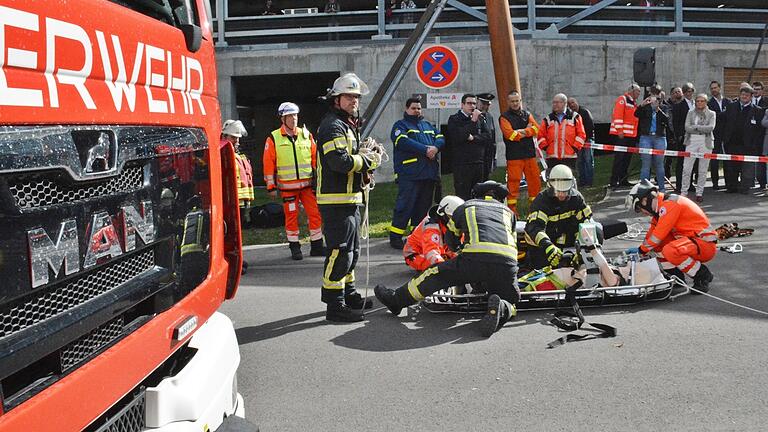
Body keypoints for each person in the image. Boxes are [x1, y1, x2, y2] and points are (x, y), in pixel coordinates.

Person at [375, 181, 519, 337]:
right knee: (510, 298)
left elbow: (452, 240)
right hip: (507, 263)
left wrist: (458, 256)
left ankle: (396, 300)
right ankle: (502, 307)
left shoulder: (467, 207)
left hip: (474, 260)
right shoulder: (509, 213)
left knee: (435, 274)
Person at [316, 73, 381, 322]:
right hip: (335, 201)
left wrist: (366, 163)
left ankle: (349, 293)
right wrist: (367, 160)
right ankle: (335, 305)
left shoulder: (348, 124)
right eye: (349, 96)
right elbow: (338, 162)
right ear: (336, 99)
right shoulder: (332, 125)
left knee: (351, 251)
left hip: (351, 198)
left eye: (356, 97)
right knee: (340, 252)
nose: (354, 101)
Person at [626, 179, 717, 292]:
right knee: (657, 246)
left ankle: (702, 275)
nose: (643, 212)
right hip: (693, 242)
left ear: (645, 200)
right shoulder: (661, 210)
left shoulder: (669, 205)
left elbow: (658, 235)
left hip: (704, 244)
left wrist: (641, 250)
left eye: (640, 208)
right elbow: (652, 236)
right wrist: (641, 249)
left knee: (670, 250)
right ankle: (676, 278)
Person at [263, 102, 324, 260]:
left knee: (315, 214)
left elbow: (314, 158)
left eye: (295, 115)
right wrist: (271, 186)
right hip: (288, 188)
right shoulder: (273, 138)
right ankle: (295, 247)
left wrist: (318, 179)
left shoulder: (306, 134)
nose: (294, 119)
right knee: (291, 217)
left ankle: (317, 245)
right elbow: (268, 163)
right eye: (290, 116)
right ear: (282, 118)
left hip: (307, 186)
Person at [389, 97, 445, 249]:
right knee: (405, 206)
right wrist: (426, 149)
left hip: (428, 173)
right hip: (410, 174)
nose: (417, 111)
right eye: (414, 108)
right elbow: (402, 141)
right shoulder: (400, 125)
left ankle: (416, 236)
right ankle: (395, 237)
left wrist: (435, 148)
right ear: (406, 109)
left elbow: (440, 137)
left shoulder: (427, 125)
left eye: (419, 108)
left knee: (422, 207)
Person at [525, 165, 593, 270]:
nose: (561, 195)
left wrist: (581, 249)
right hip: (541, 247)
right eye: (558, 191)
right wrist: (548, 247)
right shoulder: (542, 202)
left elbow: (585, 225)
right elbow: (535, 228)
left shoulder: (577, 199)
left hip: (565, 243)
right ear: (550, 186)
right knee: (544, 276)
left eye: (565, 191)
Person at [499, 90, 542, 214]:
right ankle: (512, 213)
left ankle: (534, 211)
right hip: (514, 156)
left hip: (529, 155)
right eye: (512, 101)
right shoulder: (504, 117)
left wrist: (521, 132)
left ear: (520, 101)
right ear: (508, 102)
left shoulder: (527, 114)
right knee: (513, 185)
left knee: (535, 183)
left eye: (517, 101)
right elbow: (510, 135)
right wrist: (527, 131)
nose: (515, 103)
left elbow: (536, 129)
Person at [446, 94, 494, 200]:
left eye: (474, 103)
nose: (472, 106)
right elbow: (459, 136)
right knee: (463, 196)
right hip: (462, 164)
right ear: (462, 105)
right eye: (469, 103)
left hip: (478, 163)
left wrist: (474, 138)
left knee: (478, 195)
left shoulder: (480, 119)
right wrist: (472, 122)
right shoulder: (455, 119)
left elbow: (488, 137)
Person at [222, 119, 253, 275]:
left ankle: (237, 259)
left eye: (238, 138)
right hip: (229, 203)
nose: (237, 140)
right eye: (234, 137)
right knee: (230, 234)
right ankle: (232, 262)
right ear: (225, 136)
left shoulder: (237, 155)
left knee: (237, 233)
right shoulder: (222, 154)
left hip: (239, 202)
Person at [722, 85, 765, 194]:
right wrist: (725, 138)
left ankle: (744, 188)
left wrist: (754, 144)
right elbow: (724, 122)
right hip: (731, 143)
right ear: (739, 95)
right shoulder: (731, 107)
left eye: (747, 95)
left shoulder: (758, 111)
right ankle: (731, 187)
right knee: (731, 167)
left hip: (748, 146)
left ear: (751, 96)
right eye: (742, 94)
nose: (744, 96)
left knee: (747, 169)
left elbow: (760, 130)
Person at [402, 195, 463, 271]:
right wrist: (443, 267)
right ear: (443, 214)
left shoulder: (450, 224)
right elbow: (431, 252)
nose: (456, 220)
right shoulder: (431, 227)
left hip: (440, 252)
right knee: (439, 269)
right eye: (452, 217)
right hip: (417, 254)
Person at [537, 93, 586, 174]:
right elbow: (540, 136)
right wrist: (546, 147)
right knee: (553, 181)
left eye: (557, 102)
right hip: (552, 158)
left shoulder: (575, 117)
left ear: (564, 103)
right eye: (553, 102)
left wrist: (574, 148)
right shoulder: (548, 119)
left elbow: (581, 134)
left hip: (569, 157)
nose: (554, 105)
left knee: (568, 180)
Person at [680, 93, 716, 202]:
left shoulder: (711, 113)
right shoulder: (690, 112)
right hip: (691, 141)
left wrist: (695, 127)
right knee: (687, 168)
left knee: (703, 169)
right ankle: (684, 192)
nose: (699, 103)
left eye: (702, 101)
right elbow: (687, 127)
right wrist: (699, 128)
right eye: (698, 101)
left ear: (706, 102)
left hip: (706, 141)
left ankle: (699, 192)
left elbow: (710, 128)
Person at [635, 94, 670, 192]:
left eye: (657, 100)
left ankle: (662, 189)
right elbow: (636, 114)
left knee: (659, 164)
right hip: (646, 137)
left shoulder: (664, 108)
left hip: (659, 138)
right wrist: (642, 105)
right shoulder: (645, 108)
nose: (655, 102)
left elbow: (668, 120)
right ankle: (644, 190)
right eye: (652, 100)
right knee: (646, 164)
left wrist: (659, 110)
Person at [609, 83, 641, 188]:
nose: (639, 94)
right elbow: (618, 115)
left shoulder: (633, 103)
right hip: (622, 136)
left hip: (630, 136)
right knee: (619, 158)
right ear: (632, 90)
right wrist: (620, 131)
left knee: (627, 159)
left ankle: (623, 179)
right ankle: (614, 180)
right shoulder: (623, 99)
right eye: (638, 91)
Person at [671, 82, 696, 193]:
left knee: (692, 162)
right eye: (686, 92)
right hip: (684, 137)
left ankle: (689, 184)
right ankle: (680, 185)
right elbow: (676, 123)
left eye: (691, 91)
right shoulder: (678, 106)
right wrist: (679, 136)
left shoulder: (697, 104)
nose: (689, 93)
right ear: (684, 93)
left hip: (696, 137)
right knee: (682, 162)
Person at [567, 97, 595, 187]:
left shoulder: (585, 112)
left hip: (587, 140)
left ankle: (589, 182)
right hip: (578, 142)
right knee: (579, 162)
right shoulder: (570, 115)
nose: (572, 105)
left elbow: (590, 126)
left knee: (588, 161)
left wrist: (585, 139)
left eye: (573, 102)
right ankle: (582, 182)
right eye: (569, 104)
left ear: (577, 102)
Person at [708, 80, 731, 190]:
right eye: (712, 88)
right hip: (715, 135)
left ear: (720, 88)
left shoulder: (728, 102)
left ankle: (728, 181)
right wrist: (724, 114)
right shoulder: (709, 104)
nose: (713, 90)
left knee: (727, 159)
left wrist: (722, 115)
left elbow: (730, 116)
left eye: (715, 88)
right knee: (714, 160)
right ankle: (715, 182)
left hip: (727, 135)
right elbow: (713, 117)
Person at [476, 92, 498, 179]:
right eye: (483, 104)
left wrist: (494, 157)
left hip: (488, 156)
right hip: (477, 156)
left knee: (486, 181)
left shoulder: (489, 117)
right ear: (477, 102)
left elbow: (493, 138)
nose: (485, 107)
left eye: (487, 104)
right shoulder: (472, 116)